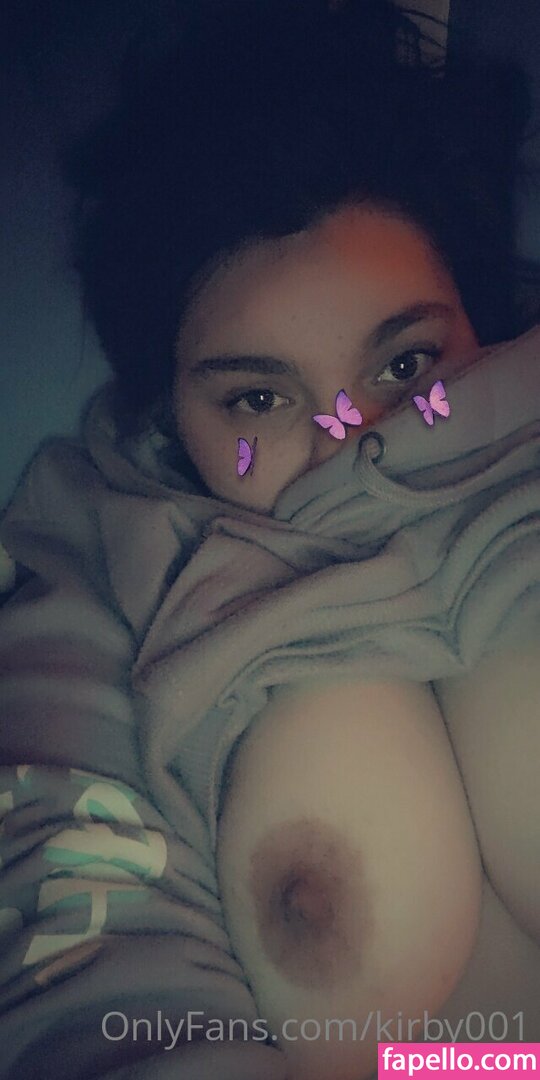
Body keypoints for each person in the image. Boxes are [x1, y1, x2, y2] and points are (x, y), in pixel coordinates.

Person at [0, 2, 539, 1077]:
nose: (348, 442)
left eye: (404, 368)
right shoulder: (97, 566)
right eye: (258, 399)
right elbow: (81, 957)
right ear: (168, 418)